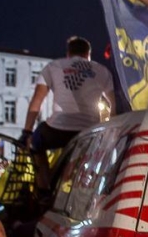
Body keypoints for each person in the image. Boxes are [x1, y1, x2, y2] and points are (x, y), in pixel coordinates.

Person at [21, 36, 115, 193]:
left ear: (68, 54)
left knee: (36, 143)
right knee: (81, 156)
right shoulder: (102, 71)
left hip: (57, 129)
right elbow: (112, 106)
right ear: (88, 54)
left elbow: (36, 102)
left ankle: (44, 189)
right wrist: (108, 132)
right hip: (88, 131)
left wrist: (27, 131)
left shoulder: (53, 66)